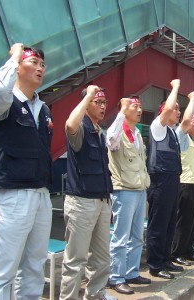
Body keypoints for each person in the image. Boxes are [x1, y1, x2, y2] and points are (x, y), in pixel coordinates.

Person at [0, 44, 53, 299]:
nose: (40, 68)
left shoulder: (43, 109)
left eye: (42, 65)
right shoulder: (4, 102)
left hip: (40, 194)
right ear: (17, 67)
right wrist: (14, 56)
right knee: (3, 271)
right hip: (11, 195)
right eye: (33, 62)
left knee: (34, 267)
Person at [60, 85, 116, 300]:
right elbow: (69, 124)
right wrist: (87, 97)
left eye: (104, 102)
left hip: (102, 201)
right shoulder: (81, 126)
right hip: (81, 202)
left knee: (102, 258)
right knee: (76, 260)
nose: (102, 106)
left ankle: (95, 294)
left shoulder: (99, 131)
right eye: (97, 102)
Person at [106, 96, 151, 295]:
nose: (139, 109)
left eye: (140, 106)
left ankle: (132, 272)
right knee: (121, 236)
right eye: (135, 106)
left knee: (137, 235)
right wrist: (121, 112)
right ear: (124, 109)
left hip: (140, 190)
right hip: (124, 190)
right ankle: (116, 276)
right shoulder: (118, 131)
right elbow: (110, 141)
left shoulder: (137, 134)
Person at [147, 79, 187, 280]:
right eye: (176, 109)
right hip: (160, 181)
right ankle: (155, 264)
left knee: (170, 223)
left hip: (172, 180)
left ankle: (165, 259)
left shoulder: (172, 131)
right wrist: (175, 87)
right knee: (159, 225)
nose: (178, 112)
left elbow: (187, 123)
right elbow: (170, 106)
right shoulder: (158, 126)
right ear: (165, 111)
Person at [171, 92, 194, 266]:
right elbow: (185, 122)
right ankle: (177, 251)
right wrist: (192, 99)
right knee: (184, 221)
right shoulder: (181, 137)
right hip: (187, 183)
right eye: (192, 120)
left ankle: (188, 248)